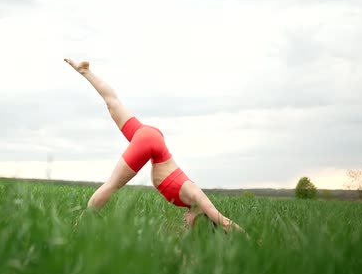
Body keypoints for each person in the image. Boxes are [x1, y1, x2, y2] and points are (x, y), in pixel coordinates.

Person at [64, 58, 245, 232]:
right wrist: (251, 241)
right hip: (150, 143)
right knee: (112, 185)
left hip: (151, 139)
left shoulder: (191, 202)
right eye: (191, 223)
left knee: (113, 104)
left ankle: (85, 71)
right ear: (201, 220)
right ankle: (83, 224)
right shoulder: (198, 198)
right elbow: (226, 223)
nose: (184, 221)